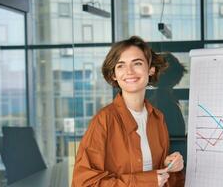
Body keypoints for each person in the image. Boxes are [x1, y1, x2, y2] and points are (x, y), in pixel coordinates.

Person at [72, 36, 185, 187]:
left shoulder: (158, 118)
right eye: (121, 66)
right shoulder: (103, 120)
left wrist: (170, 166)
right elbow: (84, 183)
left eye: (137, 63)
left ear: (151, 69)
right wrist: (146, 181)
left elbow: (158, 177)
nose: (129, 71)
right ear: (114, 74)